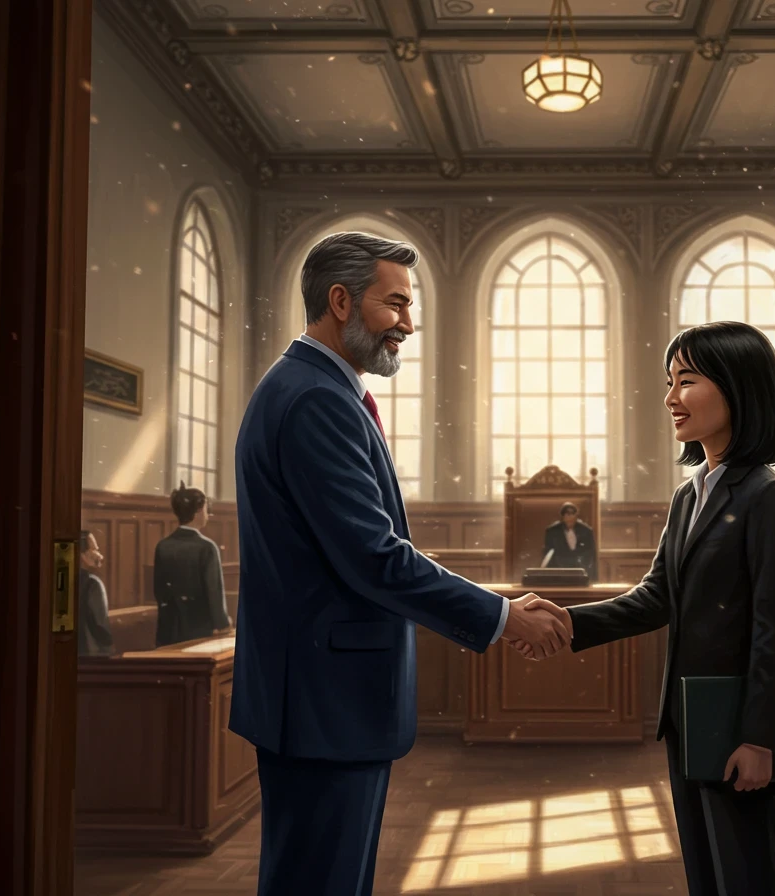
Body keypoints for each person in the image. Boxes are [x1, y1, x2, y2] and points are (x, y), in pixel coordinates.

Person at [229, 231, 573, 895]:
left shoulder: (312, 388)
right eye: (395, 305)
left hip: (317, 702)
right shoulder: (315, 400)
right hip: (324, 706)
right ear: (340, 301)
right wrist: (501, 616)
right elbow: (374, 559)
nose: (408, 325)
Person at [517, 320, 775, 896]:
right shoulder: (690, 492)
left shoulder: (767, 495)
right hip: (689, 720)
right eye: (669, 381)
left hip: (738, 728)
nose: (671, 398)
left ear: (738, 387)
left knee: (747, 879)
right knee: (705, 874)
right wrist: (570, 621)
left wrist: (759, 738)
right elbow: (657, 597)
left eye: (686, 380)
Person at [153, 481, 231, 647]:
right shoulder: (207, 547)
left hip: (168, 629)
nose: (208, 515)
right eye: (205, 510)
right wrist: (223, 624)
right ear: (198, 512)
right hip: (199, 631)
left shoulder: (162, 546)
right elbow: (214, 591)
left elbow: (159, 590)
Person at [78, 530, 114, 657]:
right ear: (82, 554)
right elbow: (101, 626)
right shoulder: (92, 583)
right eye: (94, 549)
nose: (100, 555)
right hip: (90, 653)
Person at [543, 501, 598, 581]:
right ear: (562, 516)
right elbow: (548, 553)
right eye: (567, 514)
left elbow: (591, 554)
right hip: (558, 571)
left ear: (576, 515)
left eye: (572, 513)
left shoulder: (586, 531)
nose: (570, 516)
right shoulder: (552, 531)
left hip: (581, 571)